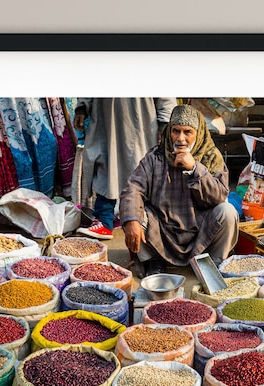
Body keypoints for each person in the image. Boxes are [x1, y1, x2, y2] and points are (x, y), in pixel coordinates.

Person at [119, 104, 239, 276]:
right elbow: (132, 188)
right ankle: (154, 260)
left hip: (200, 231)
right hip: (162, 232)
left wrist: (195, 169)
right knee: (133, 213)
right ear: (169, 131)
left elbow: (219, 196)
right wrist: (131, 221)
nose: (180, 139)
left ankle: (213, 263)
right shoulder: (155, 157)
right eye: (176, 131)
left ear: (198, 134)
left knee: (227, 212)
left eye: (187, 132)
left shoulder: (211, 157)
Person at [74, 97, 177, 239]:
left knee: (139, 170)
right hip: (105, 118)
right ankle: (104, 220)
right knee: (104, 163)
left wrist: (165, 122)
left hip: (141, 119)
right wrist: (82, 107)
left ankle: (145, 223)